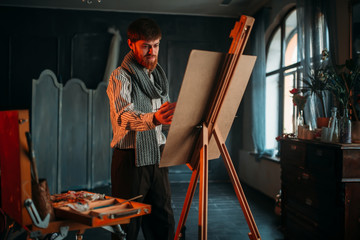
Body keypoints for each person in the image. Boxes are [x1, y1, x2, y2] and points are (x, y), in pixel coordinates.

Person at [106, 18, 176, 240]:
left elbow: (163, 117)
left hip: (158, 157)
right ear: (131, 44)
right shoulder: (120, 76)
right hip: (130, 161)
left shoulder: (158, 78)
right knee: (126, 226)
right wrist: (154, 118)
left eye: (155, 45)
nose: (151, 51)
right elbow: (123, 117)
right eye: (146, 45)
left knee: (163, 223)